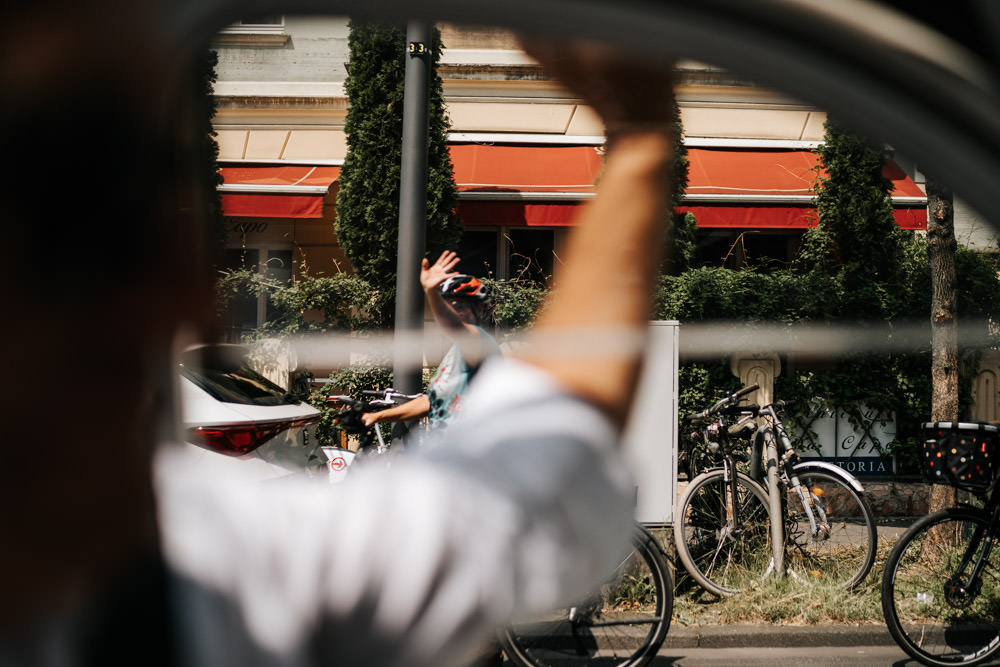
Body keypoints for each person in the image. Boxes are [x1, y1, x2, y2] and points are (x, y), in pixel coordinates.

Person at [0, 3, 677, 665]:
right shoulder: (216, 571)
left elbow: (512, 457)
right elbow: (541, 477)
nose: (195, 299)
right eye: (90, 227)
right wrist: (638, 130)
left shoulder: (478, 354)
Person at [361, 250, 500, 432]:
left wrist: (430, 291)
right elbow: (430, 402)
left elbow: (454, 326)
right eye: (448, 306)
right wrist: (377, 416)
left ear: (480, 309)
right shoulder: (456, 351)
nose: (453, 312)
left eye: (460, 306)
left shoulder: (479, 340)